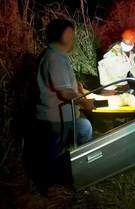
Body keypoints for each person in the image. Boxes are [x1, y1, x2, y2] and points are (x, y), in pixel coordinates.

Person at [35, 19, 95, 192]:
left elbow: (65, 85)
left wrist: (78, 88)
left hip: (63, 116)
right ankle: (50, 187)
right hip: (55, 117)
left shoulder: (56, 56)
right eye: (71, 34)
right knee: (52, 155)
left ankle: (73, 172)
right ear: (63, 35)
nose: (74, 38)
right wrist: (84, 101)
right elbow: (64, 92)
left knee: (84, 128)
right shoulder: (55, 58)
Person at [98, 29, 135, 94]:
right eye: (124, 42)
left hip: (123, 83)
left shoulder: (133, 53)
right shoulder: (113, 52)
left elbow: (132, 68)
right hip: (109, 86)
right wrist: (110, 87)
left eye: (129, 43)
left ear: (133, 43)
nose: (125, 44)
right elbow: (104, 68)